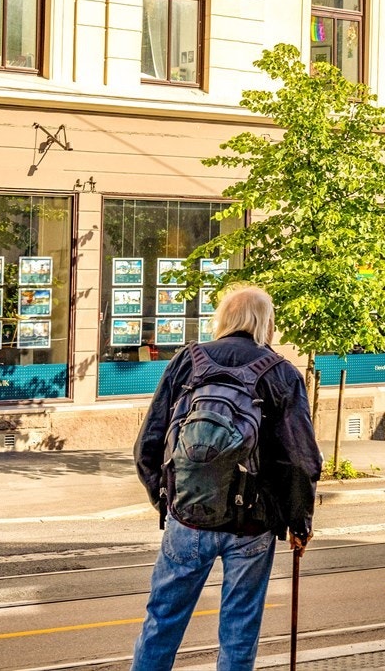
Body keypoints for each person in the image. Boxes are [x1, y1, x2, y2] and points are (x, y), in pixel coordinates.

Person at [130, 284, 321, 671]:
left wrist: (168, 499)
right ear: (266, 323)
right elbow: (301, 459)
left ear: (224, 319)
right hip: (253, 523)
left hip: (189, 516)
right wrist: (300, 521)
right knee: (239, 628)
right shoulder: (281, 372)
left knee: (162, 620)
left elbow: (148, 442)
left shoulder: (188, 360)